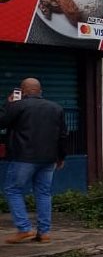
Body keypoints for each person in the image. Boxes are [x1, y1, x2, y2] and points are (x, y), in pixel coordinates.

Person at [0, 78, 67, 244]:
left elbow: (2, 121)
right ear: (40, 91)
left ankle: (24, 229)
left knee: (12, 190)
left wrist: (8, 104)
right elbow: (63, 135)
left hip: (24, 157)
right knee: (43, 193)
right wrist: (61, 156)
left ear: (22, 92)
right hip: (49, 158)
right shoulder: (56, 108)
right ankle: (44, 233)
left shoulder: (18, 105)